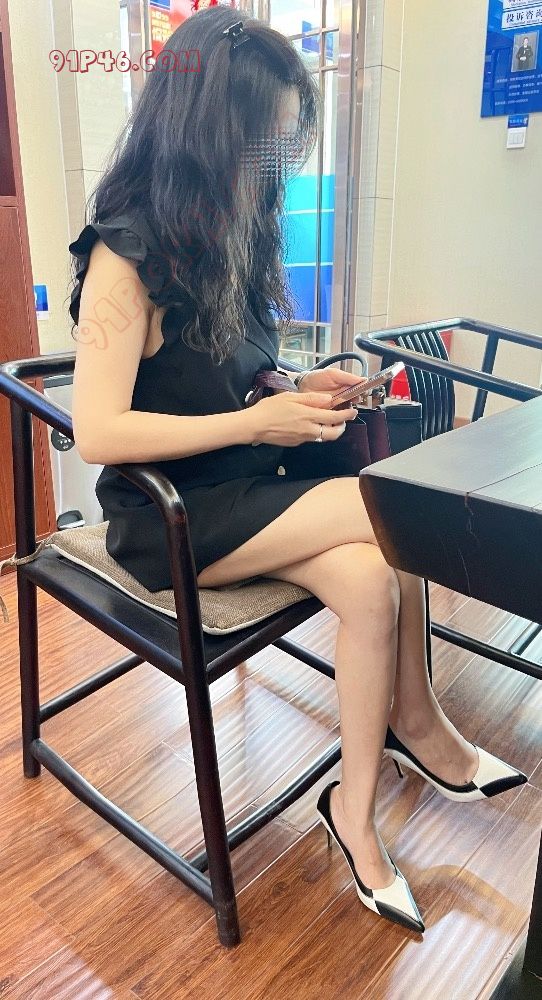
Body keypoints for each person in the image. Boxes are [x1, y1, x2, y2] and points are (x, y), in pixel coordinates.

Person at [69, 8, 527, 934]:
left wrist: (291, 386)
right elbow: (98, 431)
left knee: (368, 574)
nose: (275, 162)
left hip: (247, 481)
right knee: (391, 513)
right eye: (265, 141)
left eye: (284, 141)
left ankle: (352, 811)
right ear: (209, 127)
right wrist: (257, 418)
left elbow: (230, 372)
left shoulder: (228, 230)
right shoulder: (128, 249)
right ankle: (419, 726)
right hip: (169, 515)